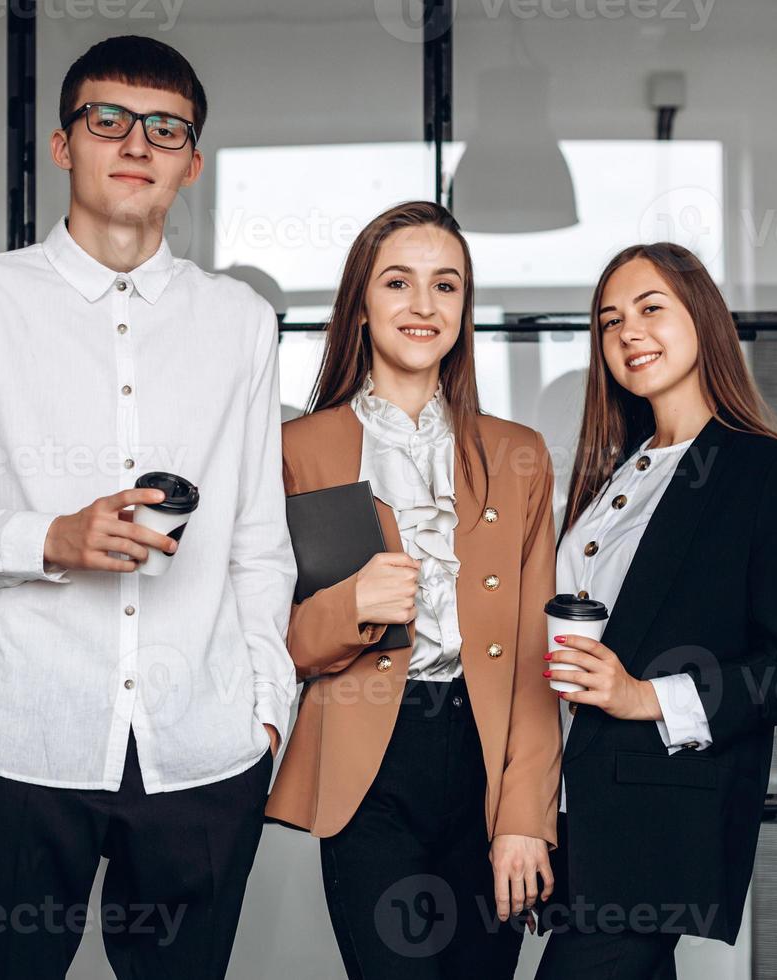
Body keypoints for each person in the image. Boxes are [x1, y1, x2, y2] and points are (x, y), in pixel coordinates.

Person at [0, 36, 296, 979]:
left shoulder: (240, 320)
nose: (136, 143)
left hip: (204, 751)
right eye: (108, 119)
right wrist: (54, 538)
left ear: (191, 162)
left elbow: (257, 539)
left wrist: (265, 713)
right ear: (63, 143)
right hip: (22, 743)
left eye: (166, 128)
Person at [265, 200, 561, 980]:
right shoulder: (295, 451)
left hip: (486, 762)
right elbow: (254, 645)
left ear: (464, 309)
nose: (423, 306)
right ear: (360, 305)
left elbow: (539, 654)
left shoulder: (519, 454)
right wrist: (345, 610)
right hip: (367, 763)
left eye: (447, 286)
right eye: (398, 282)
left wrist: (525, 816)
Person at [536, 242, 777, 979]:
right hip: (573, 815)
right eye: (609, 321)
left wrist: (644, 697)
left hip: (652, 826)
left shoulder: (762, 469)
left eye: (650, 309)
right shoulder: (611, 473)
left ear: (702, 318)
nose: (628, 332)